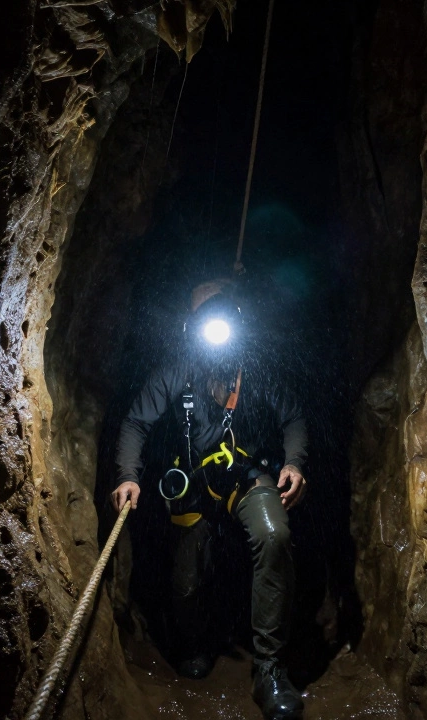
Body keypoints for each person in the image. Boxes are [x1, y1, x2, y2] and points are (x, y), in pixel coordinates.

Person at [112, 279, 307, 720]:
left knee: (274, 536)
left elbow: (293, 415)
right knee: (186, 578)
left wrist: (294, 464)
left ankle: (270, 669)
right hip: (195, 483)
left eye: (223, 314)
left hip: (245, 475)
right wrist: (128, 476)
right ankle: (193, 643)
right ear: (191, 327)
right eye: (205, 317)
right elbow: (135, 423)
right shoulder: (177, 369)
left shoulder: (254, 370)